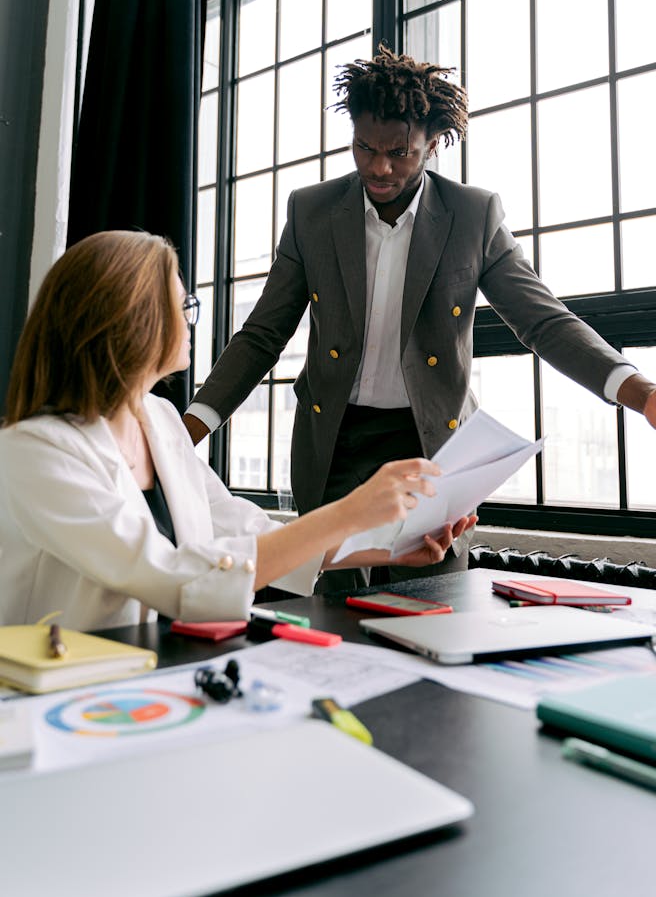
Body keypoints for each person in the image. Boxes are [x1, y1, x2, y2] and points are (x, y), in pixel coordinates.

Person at [185, 45, 656, 590]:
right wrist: (185, 431)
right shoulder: (311, 211)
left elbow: (543, 320)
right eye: (364, 148)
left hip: (428, 444)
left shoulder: (472, 215)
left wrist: (641, 392)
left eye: (399, 152)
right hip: (332, 441)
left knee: (430, 606)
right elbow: (262, 334)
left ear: (433, 144)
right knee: (330, 604)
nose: (378, 167)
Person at [0, 230, 474, 632]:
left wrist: (394, 543)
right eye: (184, 303)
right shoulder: (34, 451)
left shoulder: (160, 419)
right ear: (135, 321)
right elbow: (169, 573)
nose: (190, 320)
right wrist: (350, 512)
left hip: (163, 670)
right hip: (60, 694)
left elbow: (244, 529)